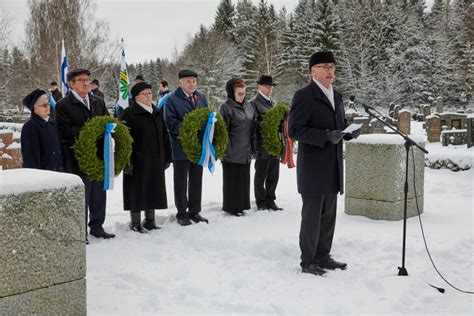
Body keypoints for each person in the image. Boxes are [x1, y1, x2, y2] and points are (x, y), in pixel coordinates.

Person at [288, 51, 359, 276]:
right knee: (312, 217)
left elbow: (339, 123)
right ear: (313, 71)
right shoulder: (304, 95)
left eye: (332, 67)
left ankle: (323, 256)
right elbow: (294, 130)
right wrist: (325, 136)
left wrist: (348, 132)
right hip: (313, 168)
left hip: (333, 165)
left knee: (328, 215)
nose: (330, 71)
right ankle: (308, 261)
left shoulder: (336, 95)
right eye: (325, 67)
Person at [55, 68, 115, 240]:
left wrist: (110, 128)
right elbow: (65, 131)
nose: (86, 83)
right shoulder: (63, 105)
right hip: (77, 157)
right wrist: (91, 131)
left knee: (98, 194)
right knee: (82, 196)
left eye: (88, 79)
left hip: (98, 155)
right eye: (81, 80)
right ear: (71, 84)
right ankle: (80, 233)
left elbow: (107, 121)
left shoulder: (98, 101)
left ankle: (97, 226)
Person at [121, 82, 172, 233]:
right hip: (138, 160)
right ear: (136, 97)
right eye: (145, 94)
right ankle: (135, 222)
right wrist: (127, 161)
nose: (149, 96)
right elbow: (124, 139)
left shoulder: (155, 111)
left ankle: (150, 220)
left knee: (153, 188)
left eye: (150, 93)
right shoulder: (129, 113)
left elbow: (164, 135)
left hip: (156, 158)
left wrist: (167, 156)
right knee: (137, 190)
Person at [164, 69, 209, 226]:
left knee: (197, 180)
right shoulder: (172, 100)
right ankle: (182, 213)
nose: (192, 84)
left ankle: (194, 211)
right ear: (180, 82)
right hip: (181, 147)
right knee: (181, 181)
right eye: (188, 81)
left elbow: (206, 118)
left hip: (198, 147)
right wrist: (190, 127)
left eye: (194, 81)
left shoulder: (201, 98)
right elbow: (170, 123)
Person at [219, 78, 256, 216]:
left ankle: (242, 206)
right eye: (239, 93)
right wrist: (226, 151)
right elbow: (223, 132)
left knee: (243, 180)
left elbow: (252, 126)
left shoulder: (248, 106)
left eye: (244, 93)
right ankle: (232, 207)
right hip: (231, 151)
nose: (242, 96)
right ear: (231, 93)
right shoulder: (226, 108)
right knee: (232, 181)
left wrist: (253, 146)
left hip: (245, 150)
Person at [251, 75, 282, 211]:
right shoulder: (254, 103)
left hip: (274, 143)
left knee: (273, 174)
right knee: (261, 174)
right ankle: (261, 201)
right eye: (267, 87)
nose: (270, 89)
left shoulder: (273, 103)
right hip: (262, 143)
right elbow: (253, 123)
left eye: (271, 87)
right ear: (259, 87)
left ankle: (271, 199)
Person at [20, 89, 63, 172]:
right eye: (44, 105)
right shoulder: (30, 127)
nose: (48, 107)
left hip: (59, 176)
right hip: (45, 179)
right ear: (34, 108)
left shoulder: (53, 123)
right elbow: (30, 160)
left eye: (48, 104)